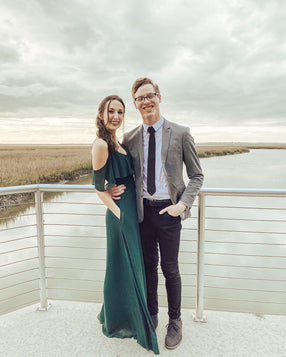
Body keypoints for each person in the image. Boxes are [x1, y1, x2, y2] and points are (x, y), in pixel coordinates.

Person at [111, 78, 204, 350]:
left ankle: (175, 320)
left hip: (169, 211)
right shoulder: (129, 139)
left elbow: (197, 176)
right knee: (149, 268)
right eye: (140, 98)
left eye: (149, 95)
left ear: (159, 97)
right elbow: (124, 175)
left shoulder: (182, 133)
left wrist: (182, 205)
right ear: (136, 104)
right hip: (142, 214)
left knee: (170, 269)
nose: (146, 101)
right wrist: (109, 191)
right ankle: (151, 314)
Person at [91, 94, 159, 355]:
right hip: (121, 213)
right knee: (121, 263)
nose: (116, 116)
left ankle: (122, 313)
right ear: (102, 114)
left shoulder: (116, 141)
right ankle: (120, 320)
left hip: (130, 207)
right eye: (111, 111)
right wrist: (117, 212)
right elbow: (98, 187)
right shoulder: (100, 144)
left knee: (129, 262)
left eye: (120, 112)